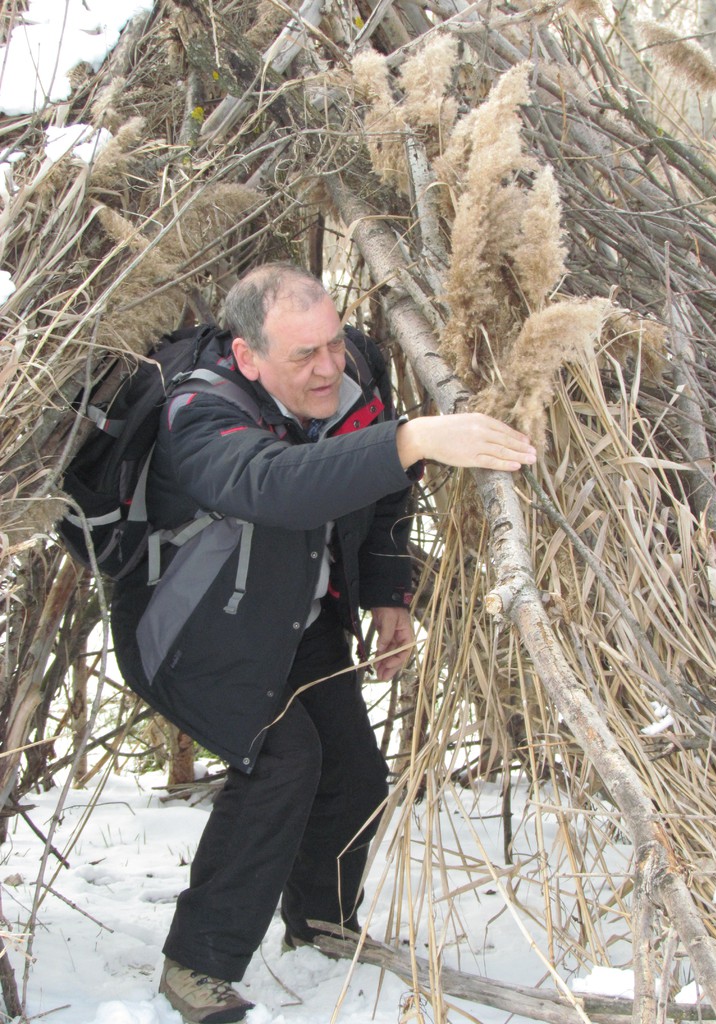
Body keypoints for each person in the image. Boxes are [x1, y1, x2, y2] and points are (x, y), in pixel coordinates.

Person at [111, 263, 537, 1024]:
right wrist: (411, 438)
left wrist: (388, 591)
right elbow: (276, 484)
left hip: (293, 618)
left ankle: (321, 924)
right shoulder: (198, 411)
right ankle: (197, 965)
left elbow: (384, 488)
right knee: (283, 762)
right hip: (192, 630)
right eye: (303, 354)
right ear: (247, 356)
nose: (328, 367)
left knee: (354, 774)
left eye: (334, 343)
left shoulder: (355, 370)